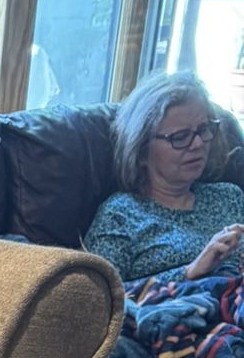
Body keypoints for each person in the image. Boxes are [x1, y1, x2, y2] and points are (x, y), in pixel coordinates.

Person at [85, 71, 244, 287]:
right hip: (176, 307)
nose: (198, 144)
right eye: (180, 137)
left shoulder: (229, 197)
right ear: (141, 151)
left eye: (203, 130)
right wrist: (190, 271)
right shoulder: (121, 215)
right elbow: (98, 296)